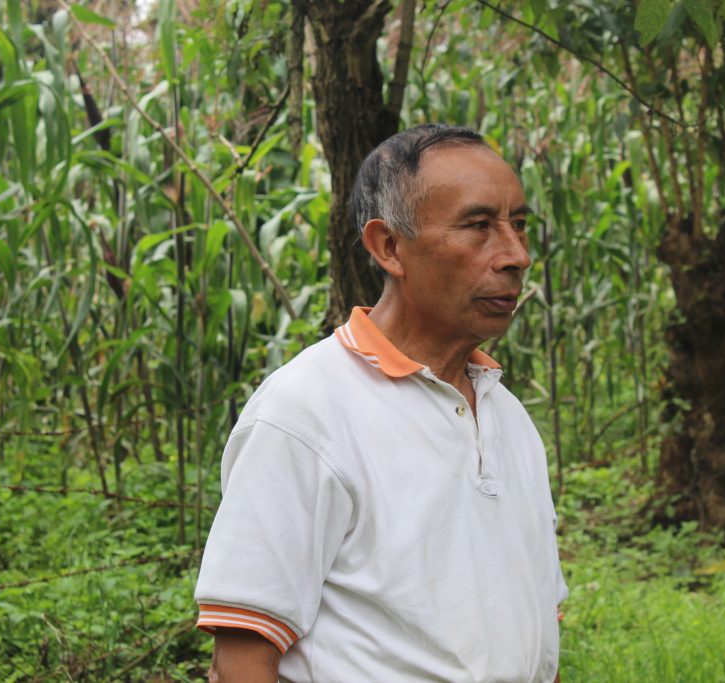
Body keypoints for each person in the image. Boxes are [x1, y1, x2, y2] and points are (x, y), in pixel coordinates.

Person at [194, 123, 567, 682]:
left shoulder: (507, 417)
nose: (516, 255)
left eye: (518, 225)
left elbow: (535, 630)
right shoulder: (305, 414)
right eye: (479, 225)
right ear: (389, 247)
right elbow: (244, 655)